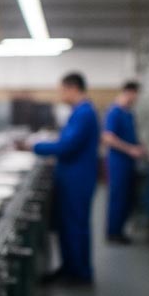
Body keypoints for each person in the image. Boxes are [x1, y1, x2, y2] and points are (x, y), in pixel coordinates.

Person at [30, 72, 100, 285]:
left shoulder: (84, 113)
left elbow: (67, 145)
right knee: (67, 225)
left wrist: (34, 146)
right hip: (71, 176)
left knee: (75, 226)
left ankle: (79, 274)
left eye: (62, 90)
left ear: (72, 88)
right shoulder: (78, 112)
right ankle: (69, 268)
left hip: (77, 179)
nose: (61, 94)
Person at [102, 81, 146, 244]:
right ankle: (113, 233)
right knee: (118, 197)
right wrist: (130, 149)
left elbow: (131, 135)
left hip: (128, 162)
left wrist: (140, 146)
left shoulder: (128, 113)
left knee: (127, 197)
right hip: (118, 162)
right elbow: (108, 138)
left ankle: (119, 230)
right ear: (130, 92)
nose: (137, 98)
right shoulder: (114, 112)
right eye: (136, 94)